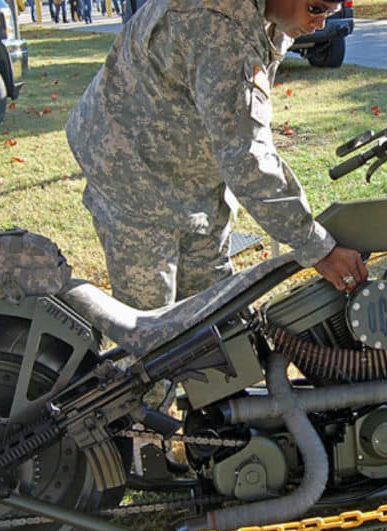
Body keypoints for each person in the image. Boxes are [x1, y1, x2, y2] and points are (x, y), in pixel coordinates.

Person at [66, 0, 368, 309]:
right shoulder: (219, 24)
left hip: (189, 175)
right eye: (316, 8)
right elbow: (246, 157)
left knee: (213, 314)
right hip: (132, 175)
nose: (319, 24)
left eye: (331, 12)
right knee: (153, 327)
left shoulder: (265, 13)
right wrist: (317, 247)